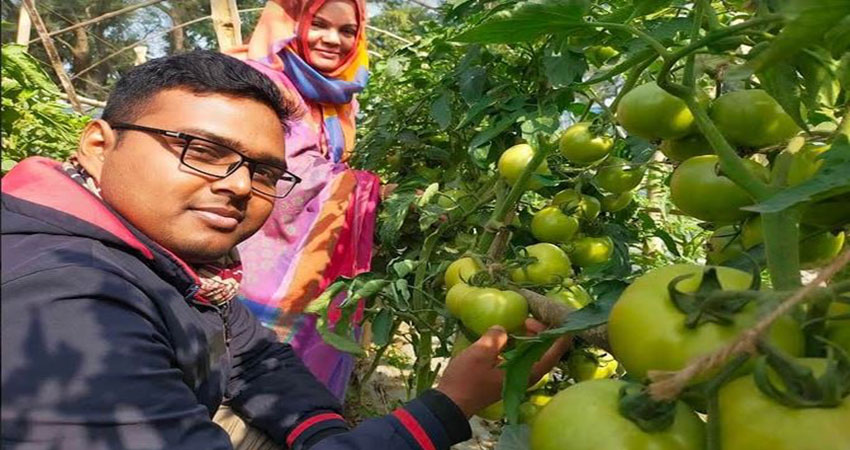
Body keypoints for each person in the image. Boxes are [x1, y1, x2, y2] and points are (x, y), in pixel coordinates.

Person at [1, 51, 568, 449]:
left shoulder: (166, 262)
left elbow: (251, 354)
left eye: (266, 170)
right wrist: (449, 405)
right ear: (99, 146)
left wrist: (322, 433)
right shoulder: (69, 300)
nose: (240, 185)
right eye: (203, 149)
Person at [226, 0, 379, 400]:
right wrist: (366, 190)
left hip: (305, 261)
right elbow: (277, 172)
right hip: (245, 250)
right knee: (235, 370)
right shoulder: (257, 81)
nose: (334, 40)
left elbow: (323, 165)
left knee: (285, 396)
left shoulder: (340, 100)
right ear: (292, 23)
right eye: (320, 25)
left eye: (348, 31)